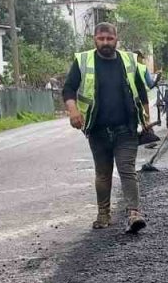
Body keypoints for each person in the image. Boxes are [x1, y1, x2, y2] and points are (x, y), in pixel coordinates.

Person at [62, 23, 150, 232]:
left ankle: (134, 213)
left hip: (126, 127)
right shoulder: (83, 60)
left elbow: (141, 90)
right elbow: (68, 89)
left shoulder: (129, 60)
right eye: (101, 39)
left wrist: (146, 117)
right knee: (103, 173)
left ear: (116, 39)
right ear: (94, 39)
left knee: (127, 170)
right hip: (97, 129)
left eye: (109, 39)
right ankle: (103, 214)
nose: (105, 43)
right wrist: (73, 111)